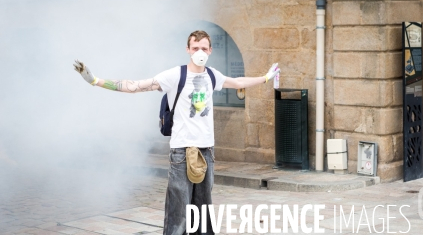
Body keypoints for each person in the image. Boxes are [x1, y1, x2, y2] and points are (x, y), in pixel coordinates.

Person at [73, 30, 280, 235]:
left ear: (210, 51)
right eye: (196, 47)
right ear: (188, 50)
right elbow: (135, 86)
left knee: (203, 207)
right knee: (178, 208)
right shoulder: (174, 75)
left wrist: (265, 77)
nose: (200, 51)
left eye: (204, 48)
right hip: (181, 151)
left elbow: (238, 82)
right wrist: (95, 81)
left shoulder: (212, 75)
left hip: (207, 151)